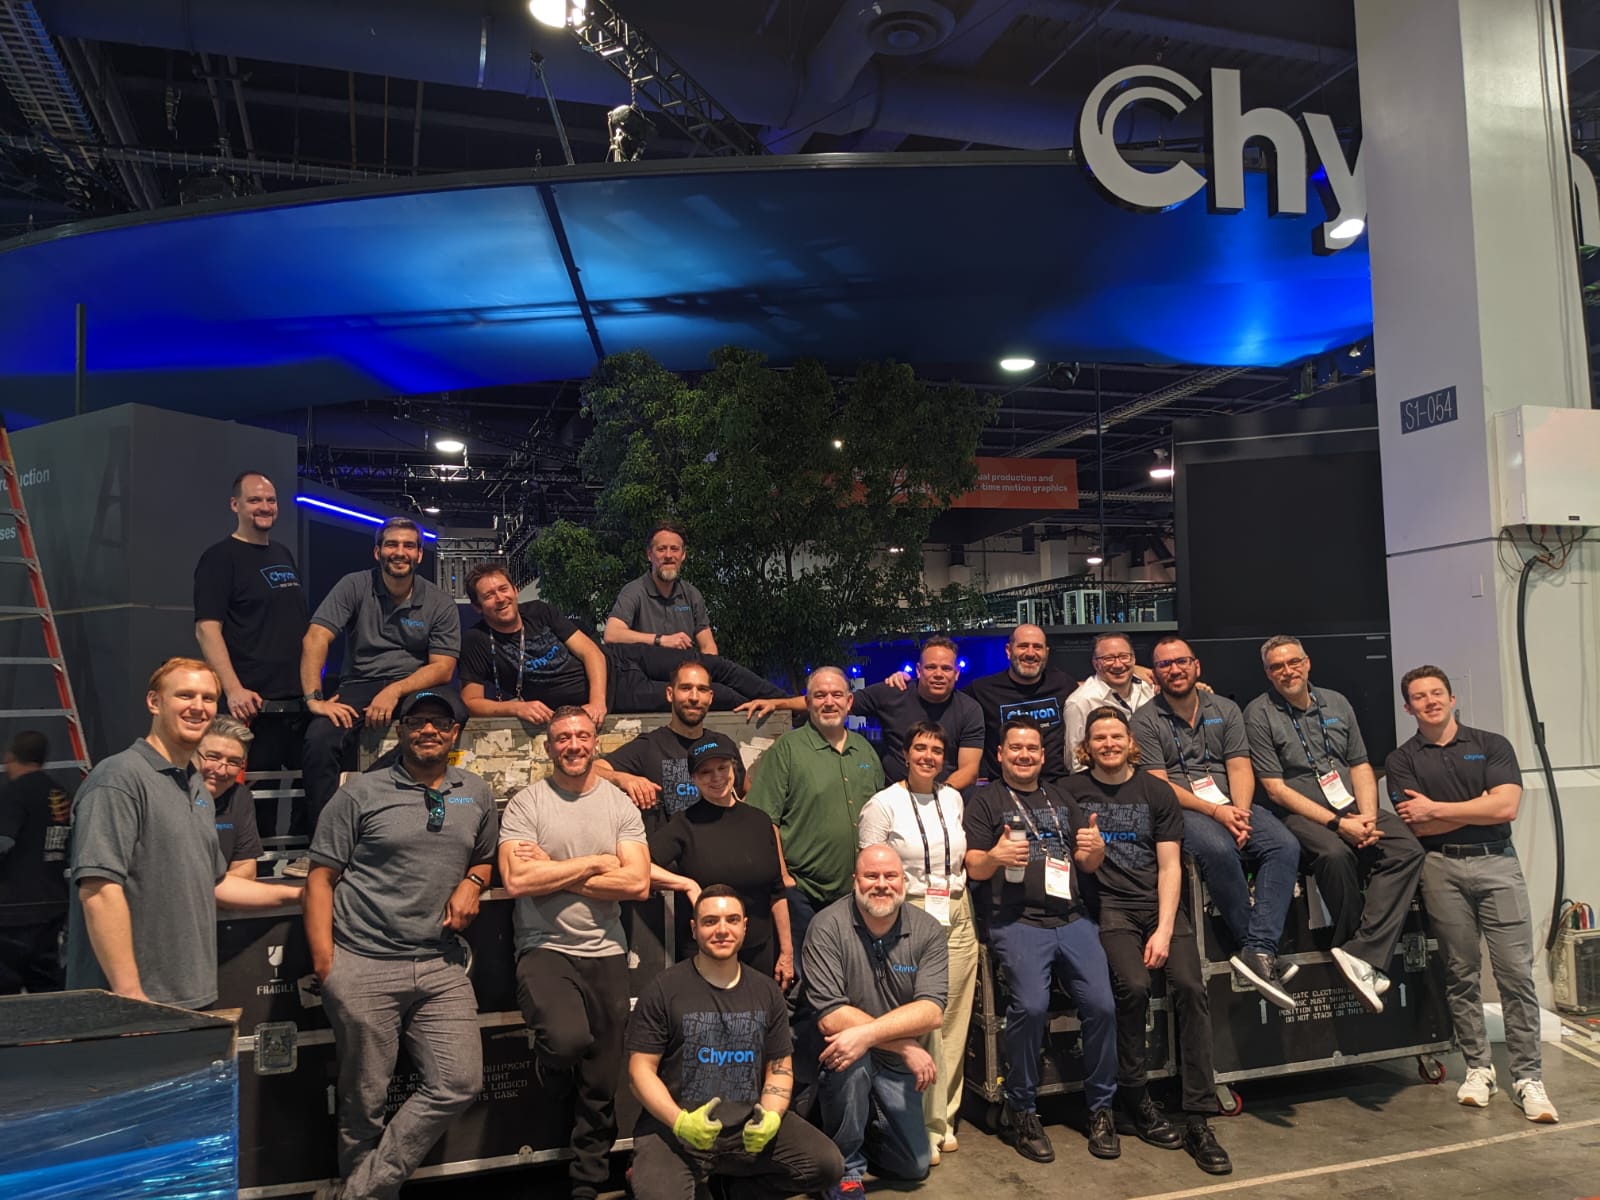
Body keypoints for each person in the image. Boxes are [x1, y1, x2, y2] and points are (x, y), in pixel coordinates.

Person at [304, 687, 498, 1200]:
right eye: (417, 721)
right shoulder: (359, 793)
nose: (428, 730)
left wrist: (473, 882)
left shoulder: (475, 792)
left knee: (458, 1082)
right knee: (363, 1103)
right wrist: (327, 965)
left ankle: (358, 1192)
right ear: (400, 729)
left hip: (440, 966)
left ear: (455, 733)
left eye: (439, 722)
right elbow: (320, 878)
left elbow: (484, 858)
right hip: (363, 963)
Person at [64, 658, 301, 1008]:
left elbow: (215, 883)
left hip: (191, 996)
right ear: (154, 702)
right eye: (185, 695)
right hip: (131, 1006)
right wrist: (130, 995)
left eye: (208, 698)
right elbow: (99, 891)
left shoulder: (195, 787)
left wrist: (300, 894)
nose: (198, 707)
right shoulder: (118, 779)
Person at [1386, 665, 1558, 1123]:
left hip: (1498, 863)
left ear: (1452, 698)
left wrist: (1438, 808)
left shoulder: (1491, 745)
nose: (1430, 701)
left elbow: (1507, 807)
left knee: (1515, 975)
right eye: (1419, 696)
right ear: (1408, 707)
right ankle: (1479, 1069)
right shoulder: (1402, 760)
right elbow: (1418, 826)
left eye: (1436, 693)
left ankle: (1528, 1077)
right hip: (1440, 869)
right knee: (1460, 973)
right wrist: (1477, 808)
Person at [1066, 707, 1231, 1176]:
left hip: (1160, 907)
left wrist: (1164, 928)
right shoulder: (1071, 790)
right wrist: (1091, 855)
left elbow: (1170, 866)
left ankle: (1198, 1118)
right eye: (1100, 738)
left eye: (1116, 736)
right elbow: (1078, 859)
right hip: (1110, 909)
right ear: (1087, 746)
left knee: (1192, 988)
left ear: (1130, 742)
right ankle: (1135, 1098)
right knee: (1134, 987)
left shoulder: (1156, 791)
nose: (1109, 744)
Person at [497, 706, 650, 1200]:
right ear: (548, 747)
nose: (573, 745)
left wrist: (556, 869)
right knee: (565, 1042)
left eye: (582, 736)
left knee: (601, 1082)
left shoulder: (619, 805)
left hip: (607, 950)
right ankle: (552, 1067)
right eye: (562, 738)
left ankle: (587, 1184)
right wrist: (596, 863)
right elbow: (517, 879)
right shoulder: (526, 804)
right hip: (544, 947)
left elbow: (638, 882)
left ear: (595, 742)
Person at [625, 885, 845, 1200]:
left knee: (827, 1166)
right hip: (674, 1130)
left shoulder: (766, 991)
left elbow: (779, 1068)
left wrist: (771, 1116)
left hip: (745, 1128)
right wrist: (680, 1122)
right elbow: (639, 1072)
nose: (722, 930)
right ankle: (646, 1172)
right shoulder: (663, 989)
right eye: (710, 921)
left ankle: (730, 1191)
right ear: (694, 929)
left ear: (744, 926)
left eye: (732, 920)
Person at [963, 716, 1117, 1163]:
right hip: (1017, 923)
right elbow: (973, 866)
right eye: (1015, 748)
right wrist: (994, 856)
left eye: (1032, 748)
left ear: (1043, 755)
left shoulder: (1060, 797)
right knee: (1030, 1008)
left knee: (1103, 1007)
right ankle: (1022, 1109)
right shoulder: (985, 802)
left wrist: (1096, 851)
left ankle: (1101, 1108)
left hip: (1072, 919)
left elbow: (1086, 862)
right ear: (1000, 754)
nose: (1024, 755)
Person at [1244, 635, 1425, 1013]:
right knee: (1333, 854)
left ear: (1307, 663)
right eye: (1277, 667)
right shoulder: (1259, 713)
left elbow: (1360, 765)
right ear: (1268, 674)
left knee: (1407, 849)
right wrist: (1337, 823)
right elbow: (1275, 789)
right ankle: (1357, 953)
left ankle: (1361, 951)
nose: (1287, 671)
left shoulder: (1337, 702)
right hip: (1301, 813)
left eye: (1293, 662)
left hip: (1353, 805)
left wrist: (1368, 816)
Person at [1130, 636, 1301, 1010]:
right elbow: (1158, 785)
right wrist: (1216, 813)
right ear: (1155, 674)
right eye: (1164, 664)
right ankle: (1257, 947)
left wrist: (1240, 812)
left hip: (1232, 803)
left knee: (1284, 844)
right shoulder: (1144, 720)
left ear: (1196, 666)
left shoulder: (1225, 708)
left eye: (1181, 661)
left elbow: (1238, 765)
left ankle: (1258, 949)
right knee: (1218, 849)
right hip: (1183, 809)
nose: (1175, 669)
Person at [458, 566, 785, 728]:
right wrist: (516, 708)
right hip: (623, 692)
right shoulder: (477, 640)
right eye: (489, 595)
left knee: (714, 666)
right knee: (711, 695)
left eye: (503, 589)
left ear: (515, 590)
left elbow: (590, 651)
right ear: (477, 606)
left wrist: (596, 701)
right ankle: (775, 720)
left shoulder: (539, 612)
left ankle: (786, 703)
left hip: (620, 660)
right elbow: (471, 702)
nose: (500, 598)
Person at [856, 721, 975, 1165]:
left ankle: (944, 1116)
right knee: (924, 1018)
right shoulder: (882, 804)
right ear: (905, 754)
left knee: (955, 1016)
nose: (928, 756)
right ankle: (921, 1122)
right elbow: (869, 872)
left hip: (958, 908)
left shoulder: (953, 798)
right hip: (911, 913)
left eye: (937, 750)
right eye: (920, 748)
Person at [299, 517, 460, 841]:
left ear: (419, 555)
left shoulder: (438, 601)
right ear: (377, 552)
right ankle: (325, 842)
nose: (400, 552)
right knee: (320, 739)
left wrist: (394, 691)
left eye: (408, 546)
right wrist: (314, 699)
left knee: (457, 712)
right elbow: (315, 638)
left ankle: (381, 791)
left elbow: (442, 668)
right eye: (391, 544)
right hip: (360, 683)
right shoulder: (353, 585)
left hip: (414, 685)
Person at [802, 845, 948, 1196]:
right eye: (871, 876)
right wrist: (903, 1045)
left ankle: (849, 1135)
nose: (881, 884)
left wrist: (868, 1035)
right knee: (851, 1057)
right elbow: (831, 1016)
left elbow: (931, 1011)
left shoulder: (927, 930)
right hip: (842, 1054)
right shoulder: (827, 926)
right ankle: (843, 1170)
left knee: (913, 1165)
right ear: (855, 880)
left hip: (890, 1060)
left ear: (904, 880)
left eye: (890, 876)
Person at [745, 667, 885, 956]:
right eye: (820, 695)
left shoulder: (865, 751)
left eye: (837, 695)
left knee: (852, 970)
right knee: (806, 973)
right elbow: (762, 818)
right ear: (808, 703)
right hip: (803, 893)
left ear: (849, 702)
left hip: (857, 892)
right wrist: (783, 877)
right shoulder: (787, 749)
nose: (829, 702)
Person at [648, 733, 794, 987]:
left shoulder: (760, 821)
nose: (716, 777)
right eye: (705, 772)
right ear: (694, 779)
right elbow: (639, 866)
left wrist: (787, 953)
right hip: (705, 955)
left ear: (734, 769)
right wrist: (684, 884)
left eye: (722, 768)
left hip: (760, 953)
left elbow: (777, 892)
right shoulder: (684, 824)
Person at [192, 471, 308, 771]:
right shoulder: (219, 558)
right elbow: (207, 630)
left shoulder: (282, 553)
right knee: (250, 795)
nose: (265, 507)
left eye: (271, 500)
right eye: (255, 500)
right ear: (235, 505)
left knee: (304, 792)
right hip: (251, 706)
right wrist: (233, 690)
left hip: (296, 705)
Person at [597, 661, 748, 825]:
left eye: (702, 689)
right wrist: (622, 779)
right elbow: (593, 770)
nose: (694, 697)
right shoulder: (649, 746)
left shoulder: (723, 744)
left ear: (710, 697)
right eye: (685, 688)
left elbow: (746, 792)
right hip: (671, 840)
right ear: (670, 694)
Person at [846, 636, 985, 789]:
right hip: (894, 796)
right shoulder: (892, 692)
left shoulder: (969, 710)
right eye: (931, 667)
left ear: (956, 673)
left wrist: (937, 796)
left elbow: (969, 771)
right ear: (918, 670)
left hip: (945, 794)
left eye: (946, 668)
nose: (938, 674)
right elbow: (840, 705)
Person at [0, 731, 71, 993]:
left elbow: (3, 842)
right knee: (45, 986)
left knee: (6, 990)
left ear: (10, 757)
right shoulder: (60, 794)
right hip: (53, 905)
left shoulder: (15, 793)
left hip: (14, 910)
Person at [962, 623, 1076, 783]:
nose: (1030, 653)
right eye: (1023, 646)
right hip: (1004, 789)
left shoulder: (1063, 684)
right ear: (1008, 650)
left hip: (1056, 786)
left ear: (1046, 652)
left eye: (1037, 647)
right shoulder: (982, 690)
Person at [605, 521, 719, 655]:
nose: (668, 556)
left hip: (683, 667)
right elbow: (612, 634)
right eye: (661, 549)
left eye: (674, 549)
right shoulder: (634, 591)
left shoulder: (692, 594)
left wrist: (705, 667)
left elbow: (708, 645)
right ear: (649, 554)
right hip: (644, 667)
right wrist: (661, 640)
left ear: (683, 554)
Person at [1061, 633, 1157, 772]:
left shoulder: (1148, 687)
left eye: (1124, 656)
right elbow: (1077, 764)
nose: (1118, 665)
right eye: (1108, 659)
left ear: (1133, 659)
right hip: (1107, 780)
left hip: (1154, 770)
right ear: (1095, 663)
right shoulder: (1080, 702)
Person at [193, 716, 265, 878]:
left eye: (233, 762)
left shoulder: (239, 796)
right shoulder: (166, 792)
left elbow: (246, 867)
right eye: (213, 757)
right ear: (192, 754)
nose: (221, 770)